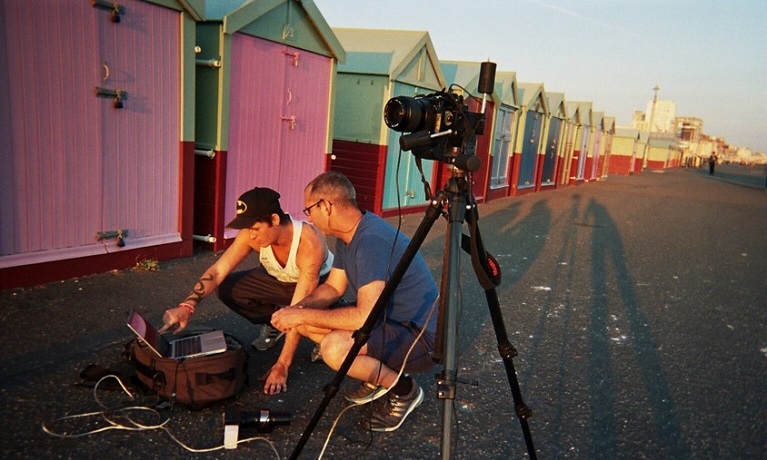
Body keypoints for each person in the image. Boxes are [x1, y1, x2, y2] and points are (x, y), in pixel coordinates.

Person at [271, 171, 439, 432]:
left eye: (309, 210)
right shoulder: (349, 236)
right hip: (388, 322)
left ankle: (405, 391)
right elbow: (333, 287)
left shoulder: (370, 241)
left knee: (333, 348)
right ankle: (375, 373)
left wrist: (301, 315)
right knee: (304, 323)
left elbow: (363, 317)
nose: (308, 218)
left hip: (419, 337)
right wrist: (297, 310)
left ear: (326, 206)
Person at [159, 187, 333, 395]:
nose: (251, 235)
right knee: (228, 287)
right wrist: (187, 306)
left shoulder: (308, 242)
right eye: (247, 228)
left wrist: (282, 365)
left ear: (275, 220)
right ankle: (275, 323)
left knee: (304, 319)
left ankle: (326, 334)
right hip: (279, 281)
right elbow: (217, 271)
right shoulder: (251, 235)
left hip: (319, 287)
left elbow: (299, 305)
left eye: (256, 228)